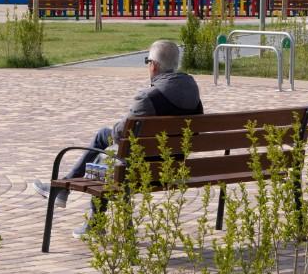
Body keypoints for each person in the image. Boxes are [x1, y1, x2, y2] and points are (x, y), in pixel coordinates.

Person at [34, 40, 203, 237]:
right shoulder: (193, 91)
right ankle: (64, 192)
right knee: (107, 145)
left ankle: (76, 202)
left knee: (105, 155)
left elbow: (120, 133)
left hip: (140, 168)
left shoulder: (149, 97)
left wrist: (118, 129)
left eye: (147, 61)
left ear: (154, 65)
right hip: (173, 164)